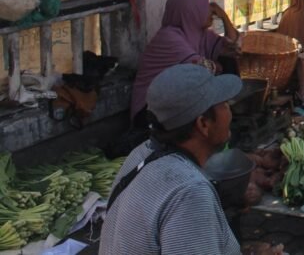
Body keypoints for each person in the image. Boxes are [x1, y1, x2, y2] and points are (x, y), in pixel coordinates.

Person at [102, 64, 243, 255]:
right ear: (203, 123)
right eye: (225, 105)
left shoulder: (142, 153)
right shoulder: (189, 192)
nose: (230, 113)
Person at [131, 0, 240, 128]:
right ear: (190, 11)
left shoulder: (201, 34)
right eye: (204, 6)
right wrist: (217, 66)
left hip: (176, 104)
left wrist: (223, 16)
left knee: (228, 60)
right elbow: (203, 68)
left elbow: (235, 48)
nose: (210, 12)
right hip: (151, 111)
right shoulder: (169, 37)